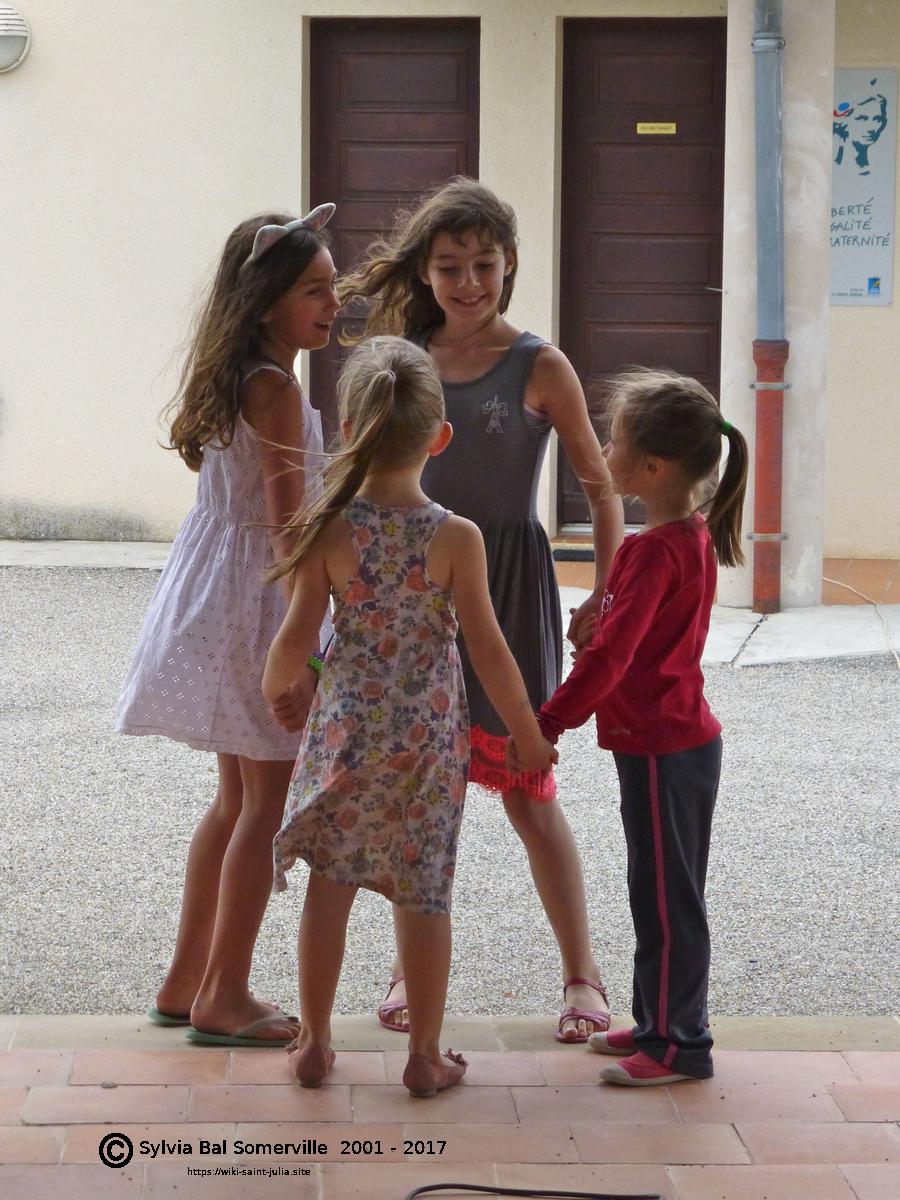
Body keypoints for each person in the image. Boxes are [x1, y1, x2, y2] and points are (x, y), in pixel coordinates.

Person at [338, 177, 624, 1042]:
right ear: (425, 272)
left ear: (510, 265)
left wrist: (605, 591)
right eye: (450, 266)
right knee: (416, 798)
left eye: (484, 265)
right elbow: (355, 475)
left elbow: (601, 488)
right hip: (414, 600)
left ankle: (582, 975)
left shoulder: (540, 364)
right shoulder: (401, 358)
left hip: (508, 590)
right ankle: (407, 971)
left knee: (529, 796)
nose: (468, 283)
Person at [262, 336, 557, 1095]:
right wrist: (527, 737)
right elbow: (490, 651)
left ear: (349, 434)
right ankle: (424, 1055)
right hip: (426, 748)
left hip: (345, 741)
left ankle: (314, 1042)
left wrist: (281, 689)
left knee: (331, 884)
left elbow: (293, 639)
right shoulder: (456, 538)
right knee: (424, 891)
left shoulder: (330, 530)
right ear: (440, 437)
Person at [115, 205, 339, 1046]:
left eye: (333, 287)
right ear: (268, 300)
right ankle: (225, 994)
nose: (333, 303)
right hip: (260, 608)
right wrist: (308, 640)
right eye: (314, 290)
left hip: (216, 596)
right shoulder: (276, 390)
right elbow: (286, 533)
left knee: (235, 799)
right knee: (264, 806)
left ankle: (186, 981)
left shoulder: (240, 375)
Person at [526, 368, 748, 1086]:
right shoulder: (681, 536)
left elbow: (614, 659)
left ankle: (681, 1044)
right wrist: (600, 615)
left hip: (664, 748)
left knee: (667, 899)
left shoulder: (655, 549)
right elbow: (629, 634)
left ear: (651, 468)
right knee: (656, 891)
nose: (604, 451)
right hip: (672, 744)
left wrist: (549, 721)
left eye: (615, 441)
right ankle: (656, 1023)